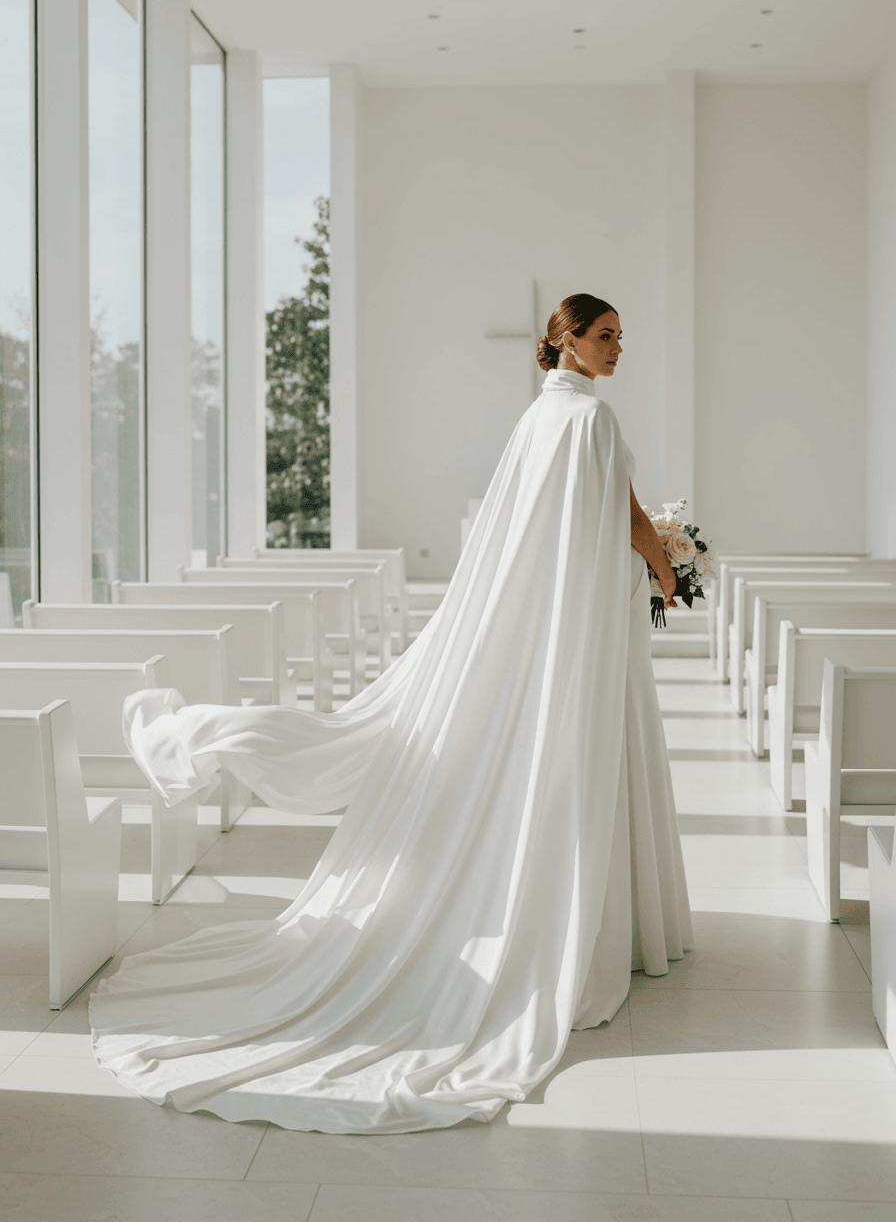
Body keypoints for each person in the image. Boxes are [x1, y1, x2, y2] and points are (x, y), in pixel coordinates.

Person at [90, 293, 693, 1135]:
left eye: (622, 337)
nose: (618, 349)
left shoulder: (534, 423)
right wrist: (672, 572)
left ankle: (209, 732)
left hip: (536, 630)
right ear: (566, 342)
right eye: (604, 337)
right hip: (574, 633)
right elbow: (627, 520)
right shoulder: (589, 422)